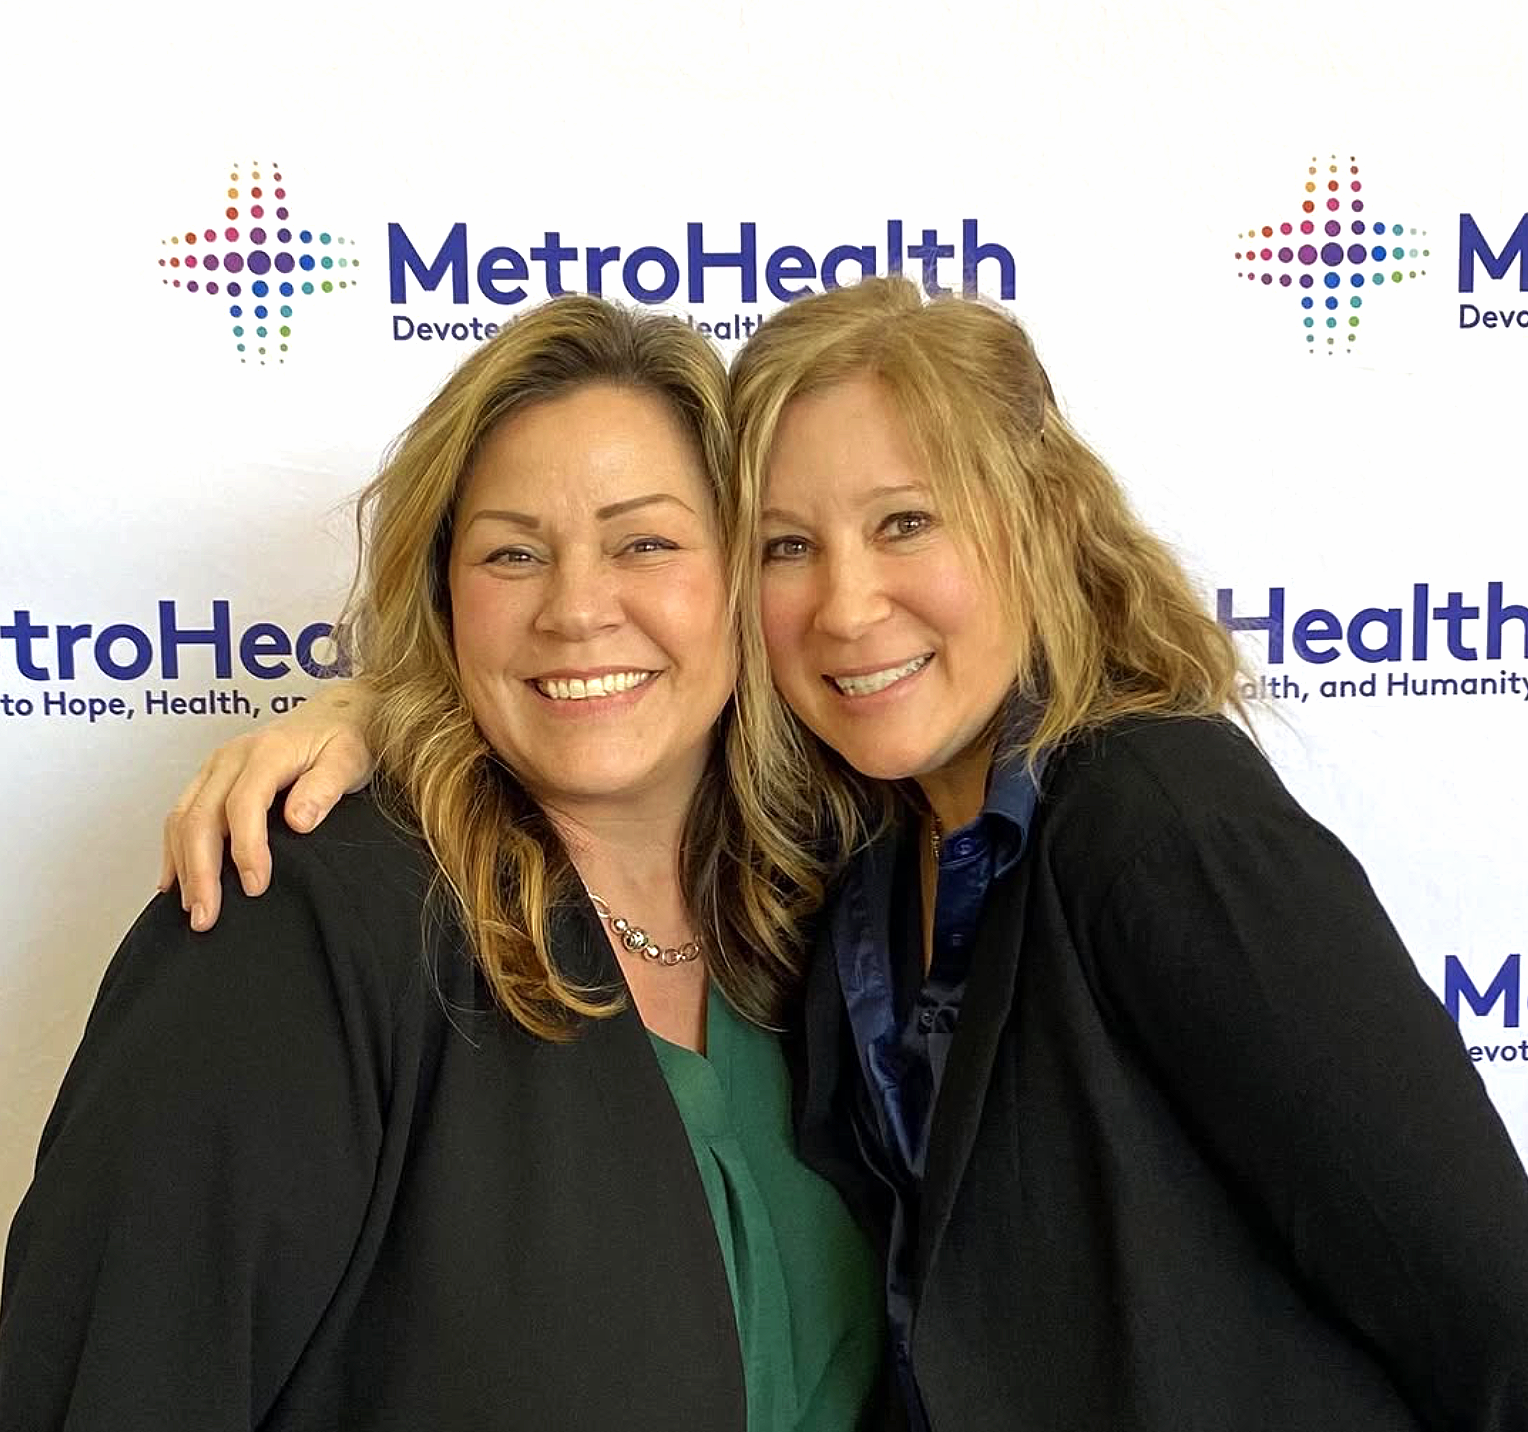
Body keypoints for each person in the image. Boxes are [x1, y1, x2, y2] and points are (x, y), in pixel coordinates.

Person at [155, 279, 1528, 1431]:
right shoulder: (842, 866)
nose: (849, 603)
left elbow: (1490, 1305)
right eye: (789, 546)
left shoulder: (1160, 820)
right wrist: (384, 710)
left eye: (905, 523)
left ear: (1037, 521)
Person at [0, 296, 886, 1432]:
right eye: (512, 553)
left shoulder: (831, 916)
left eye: (644, 542)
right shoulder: (296, 917)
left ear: (745, 579)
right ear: (443, 598)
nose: (575, 609)